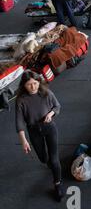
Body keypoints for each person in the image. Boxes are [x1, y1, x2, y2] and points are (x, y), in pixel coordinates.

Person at [15, 71, 64, 202]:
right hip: (33, 130)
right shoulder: (21, 100)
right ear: (23, 85)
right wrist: (23, 140)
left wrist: (51, 114)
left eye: (35, 83)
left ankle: (58, 184)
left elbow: (57, 106)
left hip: (49, 127)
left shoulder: (46, 93)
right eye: (29, 84)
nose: (33, 87)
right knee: (43, 159)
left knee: (54, 160)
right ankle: (49, 164)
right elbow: (19, 122)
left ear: (39, 82)